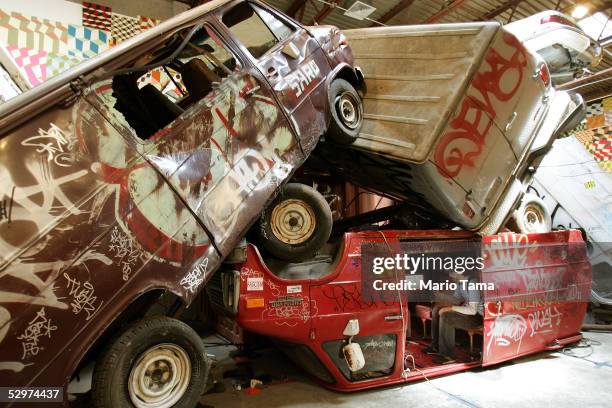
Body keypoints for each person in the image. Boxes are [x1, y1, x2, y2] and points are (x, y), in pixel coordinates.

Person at [424, 270, 484, 364]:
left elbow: (473, 310)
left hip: (477, 317)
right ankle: (435, 346)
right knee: (437, 309)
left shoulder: (472, 283)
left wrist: (450, 308)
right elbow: (456, 301)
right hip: (467, 312)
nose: (450, 275)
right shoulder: (460, 284)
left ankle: (447, 355)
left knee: (446, 316)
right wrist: (441, 295)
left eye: (451, 273)